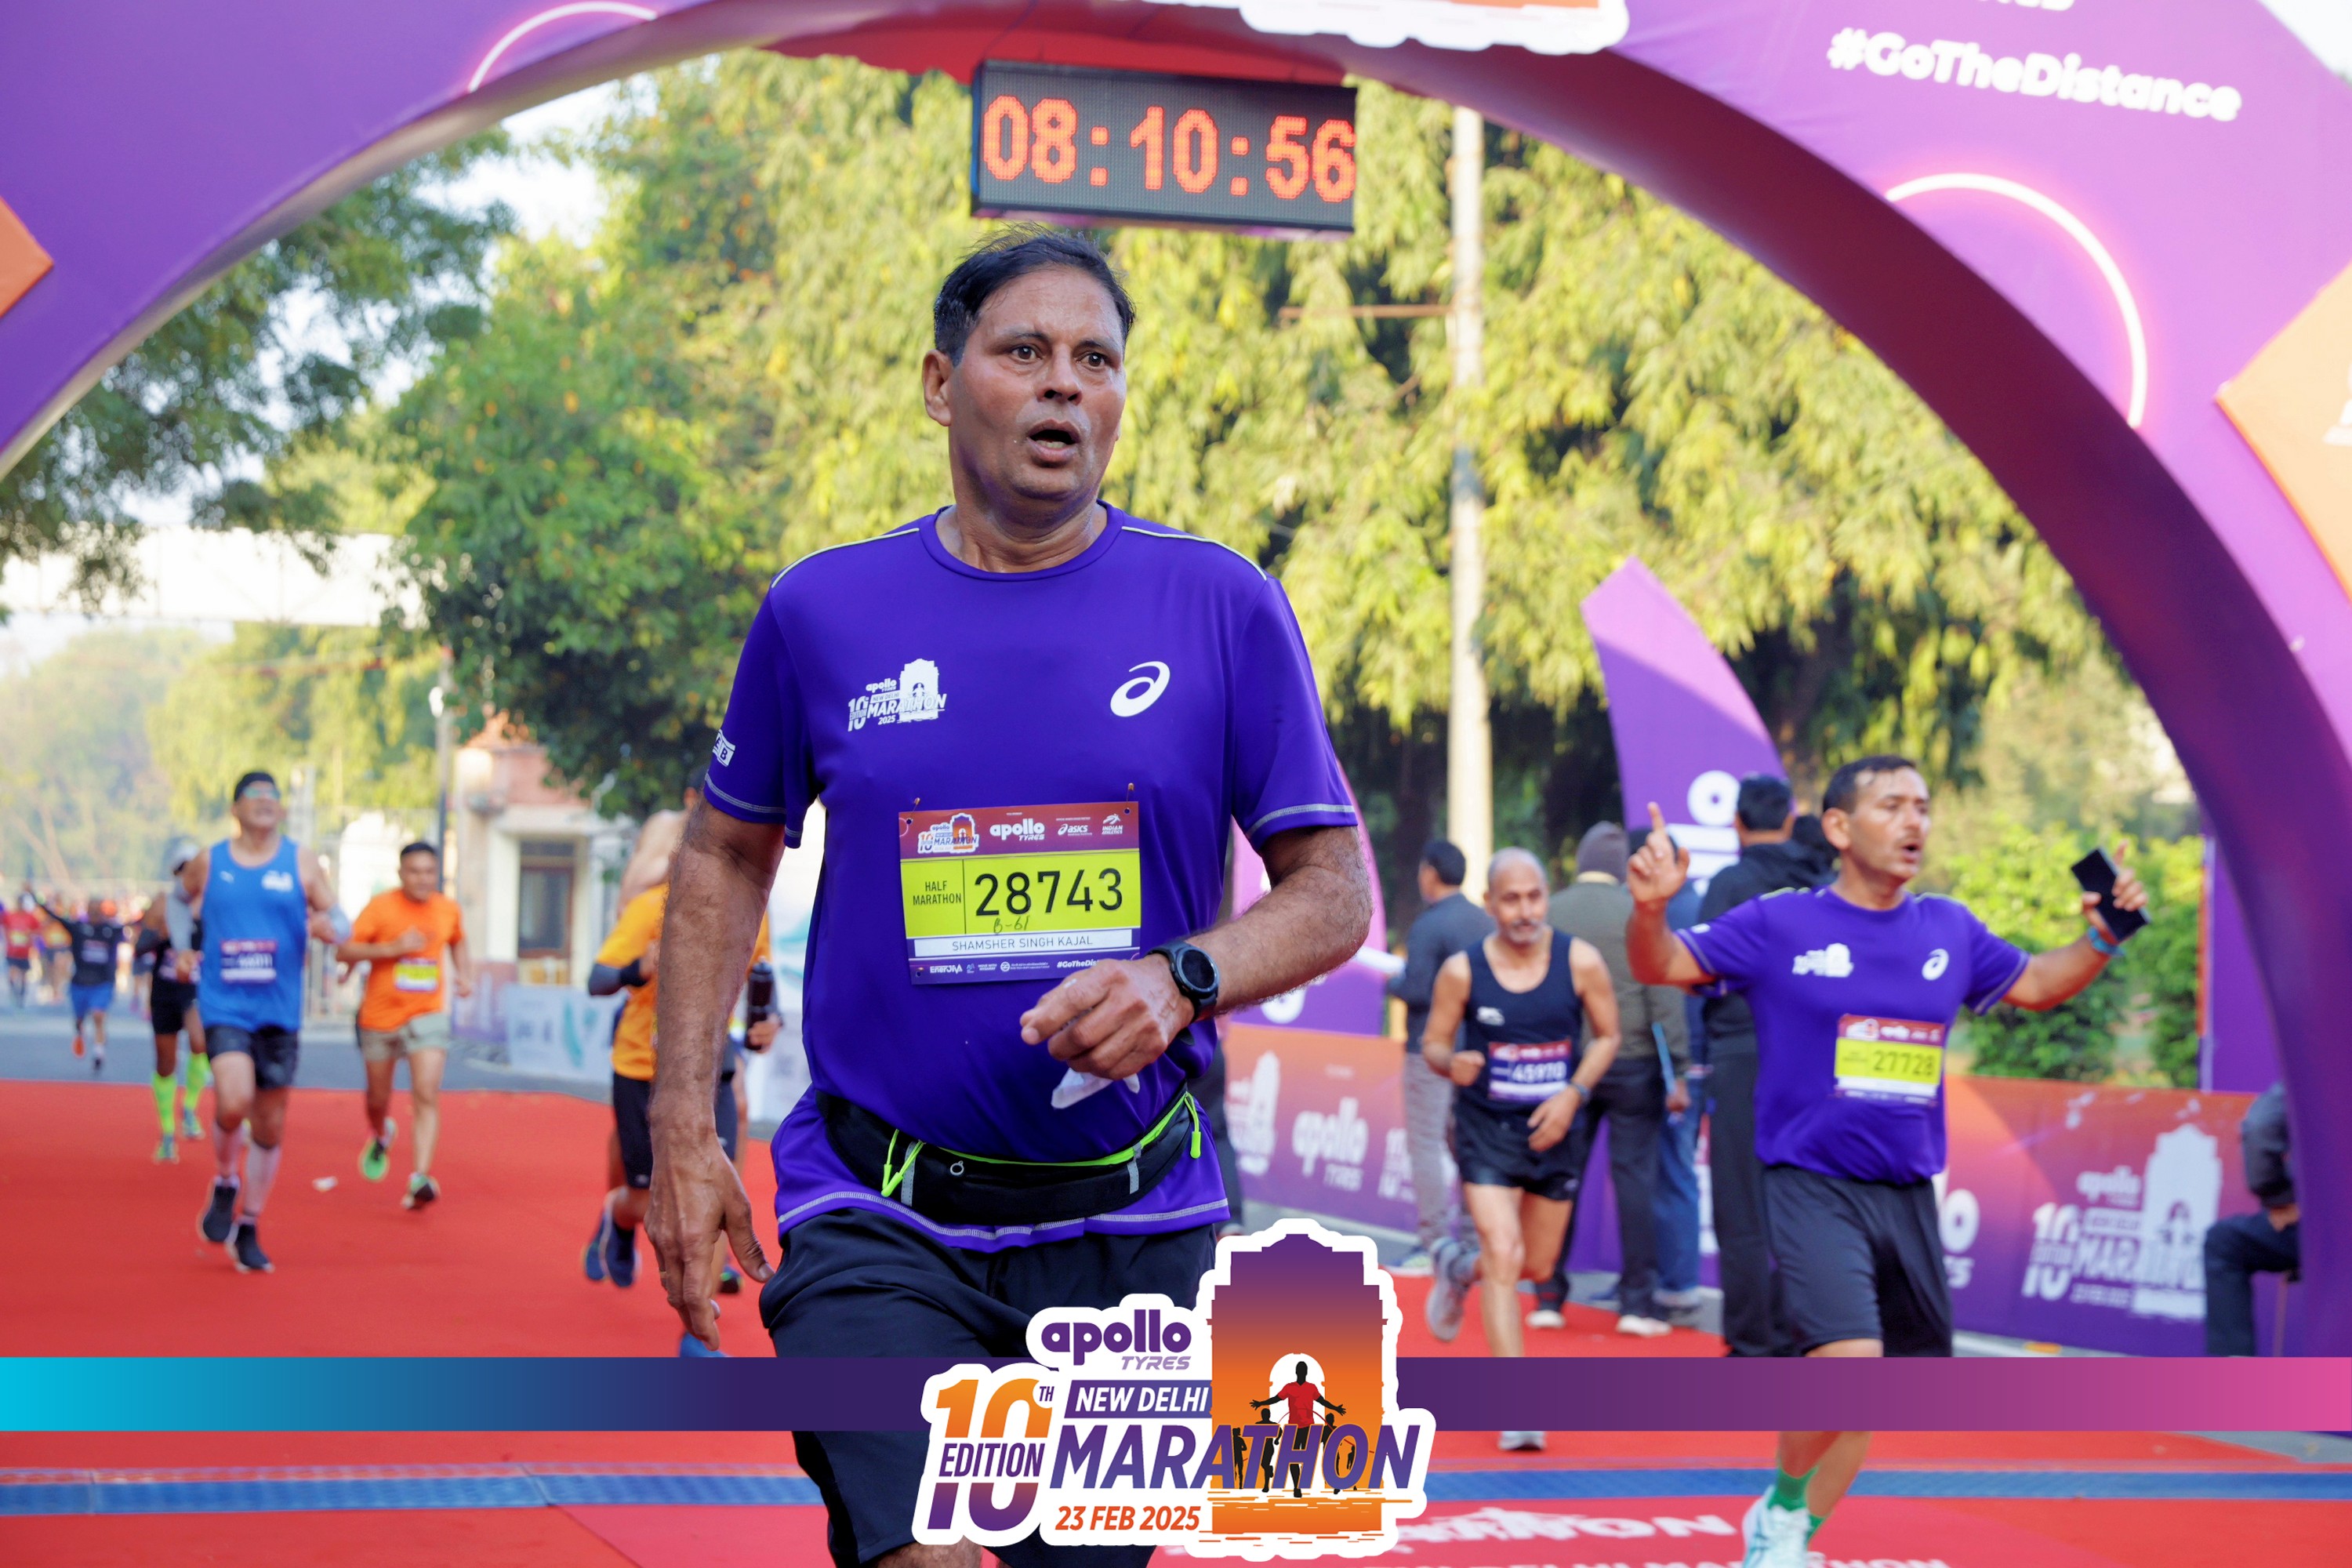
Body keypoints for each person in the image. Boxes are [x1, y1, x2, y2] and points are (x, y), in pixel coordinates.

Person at [645, 228, 1372, 1568]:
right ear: (941, 384)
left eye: (1097, 361)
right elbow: (725, 856)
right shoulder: (823, 610)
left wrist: (1182, 978)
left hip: (1136, 1231)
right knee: (922, 1551)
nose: (1064, 386)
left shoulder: (1222, 604)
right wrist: (682, 1128)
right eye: (1025, 352)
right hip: (878, 1212)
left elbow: (1333, 892)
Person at [1627, 754, 2145, 1566]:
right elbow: (1659, 964)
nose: (1914, 822)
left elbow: (2041, 982)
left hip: (1906, 1189)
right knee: (1852, 1365)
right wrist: (1651, 908)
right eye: (1893, 805)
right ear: (1838, 827)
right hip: (1809, 1180)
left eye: (1923, 807)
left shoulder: (1950, 928)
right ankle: (1784, 1520)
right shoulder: (1780, 924)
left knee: (1879, 1391)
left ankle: (1784, 1518)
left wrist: (2103, 937)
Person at [1419, 848, 1621, 1454]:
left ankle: (1459, 1269)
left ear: (1547, 897)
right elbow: (1432, 1043)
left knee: (1535, 1265)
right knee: (1504, 1253)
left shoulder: (1579, 961)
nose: (1525, 910)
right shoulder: (1463, 971)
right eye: (1511, 899)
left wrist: (1574, 1094)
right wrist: (1450, 1062)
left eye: (1534, 897)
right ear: (1490, 904)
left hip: (1554, 1130)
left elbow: (1608, 1036)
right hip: (1485, 1130)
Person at [581, 851, 772, 1355]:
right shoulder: (651, 908)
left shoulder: (752, 910)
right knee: (646, 1200)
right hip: (643, 1069)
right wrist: (637, 969)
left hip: (711, 1071)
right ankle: (618, 1214)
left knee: (713, 1194)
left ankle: (698, 1341)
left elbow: (762, 981)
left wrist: (766, 1023)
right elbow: (597, 980)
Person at [1693, 775, 1837, 1356]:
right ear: (1790, 819)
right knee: (1803, 1201)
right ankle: (1798, 1335)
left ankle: (1752, 1343)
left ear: (1736, 824)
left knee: (1742, 1207)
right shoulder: (1821, 884)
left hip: (1743, 1051)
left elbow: (1700, 969)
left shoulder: (1731, 883)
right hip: (1815, 1056)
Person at [1532, 822, 1690, 1338]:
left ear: (1580, 861)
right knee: (1635, 1183)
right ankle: (1637, 1304)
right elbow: (1663, 992)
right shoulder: (1639, 912)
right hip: (1634, 1061)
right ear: (1624, 866)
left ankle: (1549, 1295)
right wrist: (1679, 1069)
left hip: (1570, 1066)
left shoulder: (1552, 912)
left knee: (1562, 1178)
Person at [183, 770, 339, 1274]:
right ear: (236, 809)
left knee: (270, 1123)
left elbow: (340, 918)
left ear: (283, 809)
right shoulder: (211, 861)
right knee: (234, 1100)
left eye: (273, 796)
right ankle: (226, 1179)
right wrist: (184, 948)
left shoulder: (302, 861)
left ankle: (249, 1223)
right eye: (255, 795)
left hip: (279, 1009)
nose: (266, 801)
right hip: (225, 1005)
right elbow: (177, 901)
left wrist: (329, 927)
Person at [339, 841, 473, 1210]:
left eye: (429, 872)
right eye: (415, 872)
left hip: (427, 1015)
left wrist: (464, 974)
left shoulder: (448, 909)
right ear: (401, 874)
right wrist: (392, 949)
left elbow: (459, 941)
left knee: (426, 1092)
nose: (423, 879)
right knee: (377, 1098)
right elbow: (345, 950)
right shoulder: (380, 907)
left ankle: (420, 1177)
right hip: (380, 1017)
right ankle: (381, 1131)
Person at [1383, 840, 1491, 1271]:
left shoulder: (1429, 925)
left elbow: (1417, 989)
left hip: (1430, 1050)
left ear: (1429, 872)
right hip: (1476, 1049)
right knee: (1466, 1144)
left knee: (1426, 1144)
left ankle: (1433, 1243)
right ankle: (1473, 1238)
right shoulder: (1483, 922)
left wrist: (1391, 982)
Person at [2204, 1083, 2299, 1356]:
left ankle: (2232, 1372)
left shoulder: (2326, 1068)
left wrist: (2281, 1199)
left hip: (2326, 1230)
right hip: (2327, 1226)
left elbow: (2261, 1126)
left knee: (2225, 1243)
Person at [135, 857, 210, 1162]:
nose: (188, 877)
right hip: (165, 991)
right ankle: (167, 1132)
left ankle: (190, 1107)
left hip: (196, 989)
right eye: (182, 871)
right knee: (166, 1062)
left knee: (200, 1041)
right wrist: (159, 933)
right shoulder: (162, 904)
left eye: (193, 871)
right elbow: (139, 948)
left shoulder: (212, 904)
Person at [32, 888, 126, 1069]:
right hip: (80, 983)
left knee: (99, 1016)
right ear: (87, 910)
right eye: (92, 908)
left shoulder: (111, 930)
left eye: (97, 908)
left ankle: (98, 1052)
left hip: (102, 983)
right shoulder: (78, 928)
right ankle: (79, 1031)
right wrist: (36, 900)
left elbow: (137, 924)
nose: (95, 912)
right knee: (79, 1019)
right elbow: (56, 917)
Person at [1249, 1359, 1345, 1496]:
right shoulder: (1289, 1387)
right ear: (1297, 1372)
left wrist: (1335, 1408)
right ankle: (1297, 1487)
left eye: (1303, 1370)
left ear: (1306, 1372)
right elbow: (1276, 1398)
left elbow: (1322, 1401)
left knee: (1309, 1459)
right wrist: (1261, 1403)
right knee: (1292, 1460)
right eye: (1300, 1370)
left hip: (1309, 1428)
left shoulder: (1311, 1388)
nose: (1301, 1372)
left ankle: (1334, 1482)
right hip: (1293, 1429)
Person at [5, 892, 42, 1007]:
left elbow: (38, 930)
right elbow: (4, 927)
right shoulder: (10, 916)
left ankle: (22, 995)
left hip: (25, 952)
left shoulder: (30, 917)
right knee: (12, 972)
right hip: (12, 951)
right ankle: (13, 992)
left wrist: (30, 934)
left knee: (24, 975)